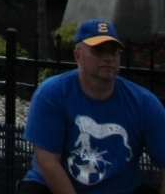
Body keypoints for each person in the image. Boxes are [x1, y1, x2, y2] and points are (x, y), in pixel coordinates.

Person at [20, 19, 165, 194]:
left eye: (114, 51)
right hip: (54, 187)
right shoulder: (53, 94)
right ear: (77, 56)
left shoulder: (144, 103)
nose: (108, 57)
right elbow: (48, 161)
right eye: (98, 50)